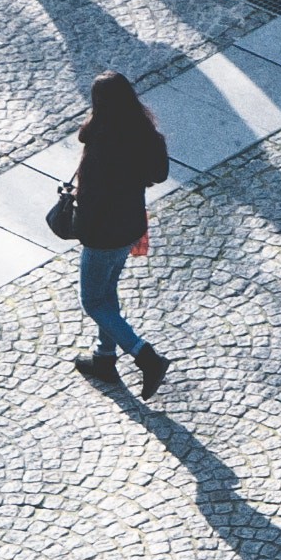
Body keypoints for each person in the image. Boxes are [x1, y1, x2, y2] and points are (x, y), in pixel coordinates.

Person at [65, 71, 173, 395]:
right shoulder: (145, 133)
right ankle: (104, 358)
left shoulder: (100, 142)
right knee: (107, 293)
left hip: (103, 235)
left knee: (93, 301)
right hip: (130, 227)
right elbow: (160, 173)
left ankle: (146, 356)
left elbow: (91, 198)